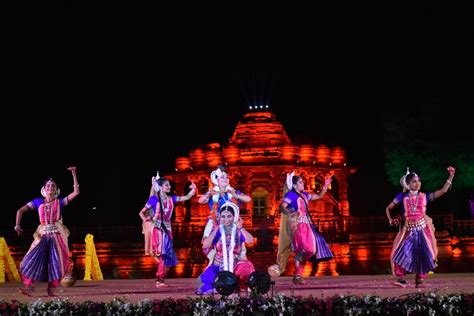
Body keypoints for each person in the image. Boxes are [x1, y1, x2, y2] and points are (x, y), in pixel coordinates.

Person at [386, 166, 456, 288]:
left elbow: (443, 191)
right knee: (401, 252)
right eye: (414, 181)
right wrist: (391, 219)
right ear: (408, 184)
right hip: (408, 230)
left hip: (422, 229)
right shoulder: (401, 197)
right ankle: (401, 279)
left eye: (418, 181)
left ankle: (419, 280)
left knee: (423, 253)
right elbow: (388, 208)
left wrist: (451, 175)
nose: (417, 183)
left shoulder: (425, 196)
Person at [14, 166, 79, 297]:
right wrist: (17, 225)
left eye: (53, 186)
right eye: (48, 186)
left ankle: (51, 289)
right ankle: (29, 287)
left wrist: (74, 174)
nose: (50, 188)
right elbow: (20, 211)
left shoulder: (60, 202)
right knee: (32, 258)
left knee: (57, 261)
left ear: (56, 190)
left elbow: (76, 192)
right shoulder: (37, 202)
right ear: (44, 189)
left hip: (56, 236)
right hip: (42, 235)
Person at [268, 171, 334, 285]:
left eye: (302, 181)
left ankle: (298, 274)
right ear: (294, 185)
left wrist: (325, 186)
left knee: (311, 250)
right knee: (305, 249)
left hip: (308, 225)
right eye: (300, 182)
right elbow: (282, 206)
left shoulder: (304, 195)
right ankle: (297, 274)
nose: (303, 183)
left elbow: (318, 196)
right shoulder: (292, 195)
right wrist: (290, 214)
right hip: (298, 226)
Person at [139, 172, 196, 287]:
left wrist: (194, 188)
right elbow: (141, 212)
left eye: (169, 185)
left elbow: (187, 197)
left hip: (168, 229)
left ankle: (161, 277)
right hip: (158, 229)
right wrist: (147, 219)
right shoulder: (154, 199)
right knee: (163, 254)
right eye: (166, 185)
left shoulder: (171, 199)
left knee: (169, 256)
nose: (169, 187)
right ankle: (159, 279)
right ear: (160, 187)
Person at [196, 201, 255, 295]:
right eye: (223, 216)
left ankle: (237, 285)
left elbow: (250, 240)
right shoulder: (218, 231)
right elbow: (205, 245)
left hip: (235, 266)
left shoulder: (238, 231)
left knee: (246, 266)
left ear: (234, 217)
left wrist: (241, 227)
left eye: (229, 216)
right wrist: (215, 229)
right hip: (218, 265)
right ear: (220, 217)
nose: (226, 219)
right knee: (210, 283)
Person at [198, 165, 251, 258]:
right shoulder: (213, 193)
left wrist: (236, 195)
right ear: (216, 180)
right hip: (216, 223)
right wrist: (209, 194)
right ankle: (216, 263)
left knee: (236, 247)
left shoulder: (232, 192)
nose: (225, 179)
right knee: (214, 247)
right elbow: (200, 200)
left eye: (227, 177)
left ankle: (237, 264)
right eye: (222, 177)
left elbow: (248, 199)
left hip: (232, 222)